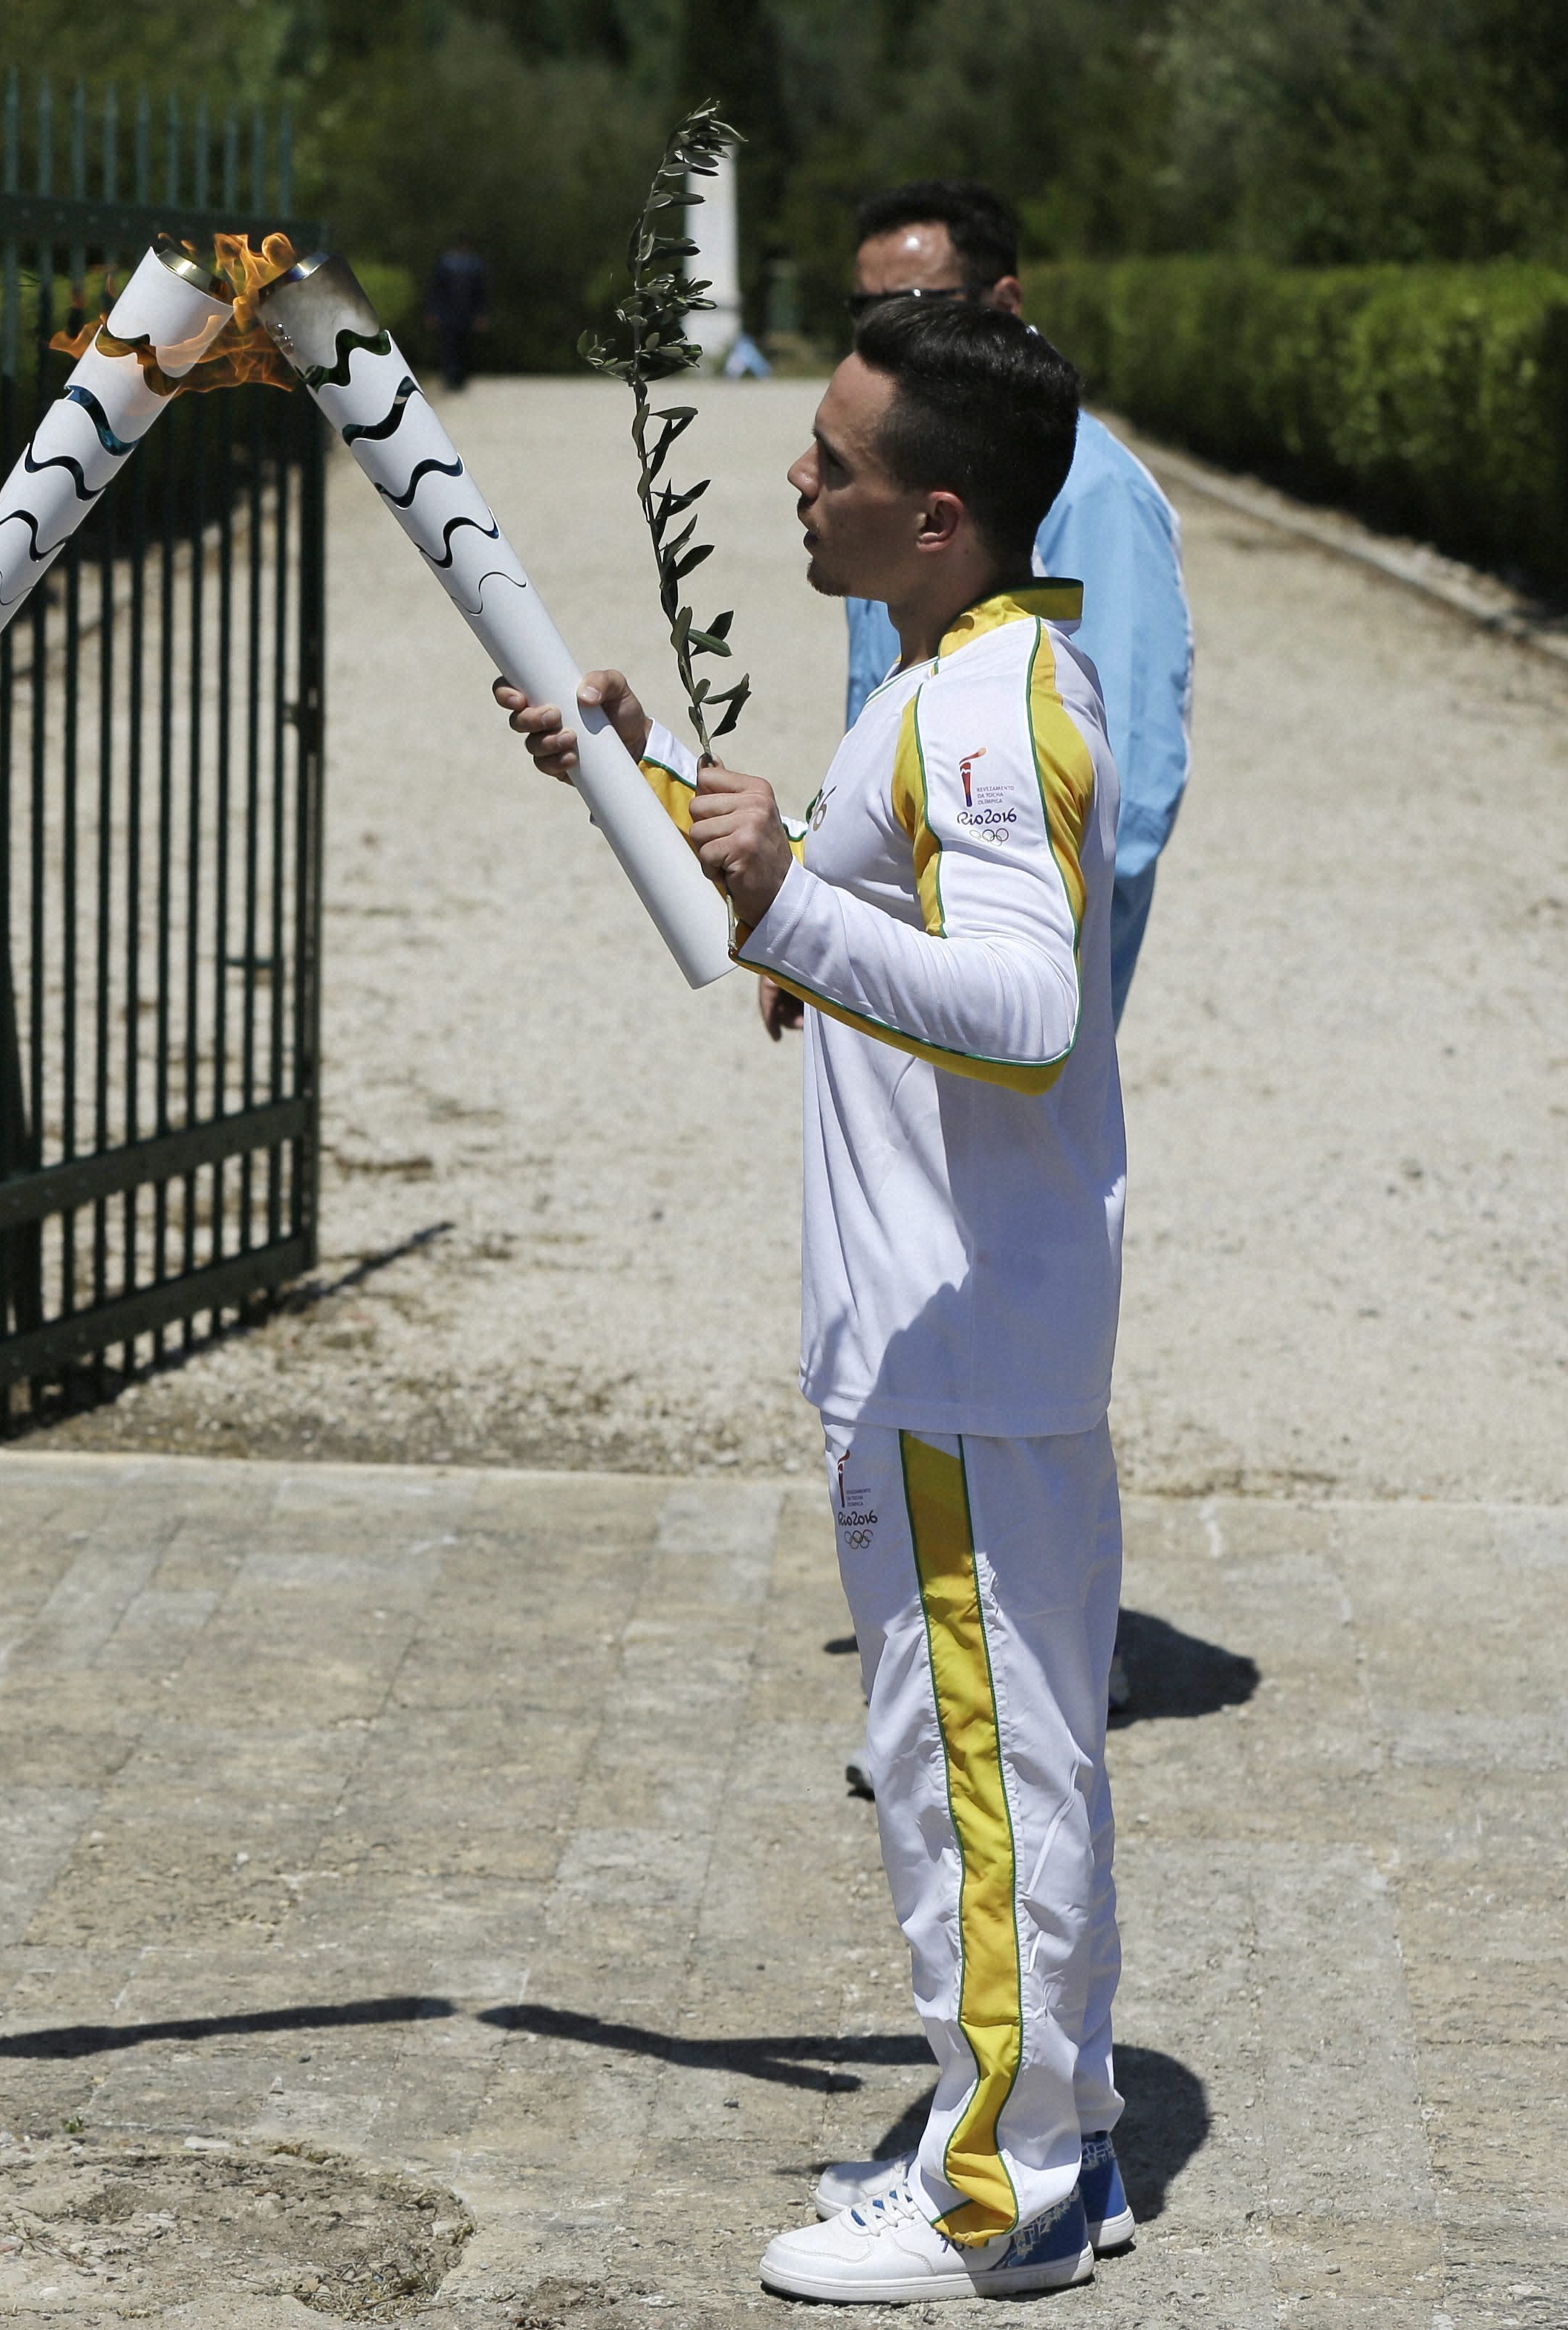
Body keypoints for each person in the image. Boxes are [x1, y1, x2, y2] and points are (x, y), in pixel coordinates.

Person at [500, 299, 1134, 2302]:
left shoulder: (973, 712)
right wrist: (645, 773)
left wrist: (780, 895)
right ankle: (1049, 2137)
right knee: (1003, 1761)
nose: (793, 476)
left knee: (976, 1777)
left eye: (833, 462)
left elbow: (1021, 1010)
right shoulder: (963, 676)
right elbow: (845, 922)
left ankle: (1004, 2194)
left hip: (956, 1347)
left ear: (935, 516)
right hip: (965, 1341)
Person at [839, 179, 1192, 1020]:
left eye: (914, 308)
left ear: (1004, 303)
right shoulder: (898, 483)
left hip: (999, 986)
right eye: (867, 313)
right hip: (890, 958)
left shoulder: (1093, 490)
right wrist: (831, 912)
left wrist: (974, 967)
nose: (888, 338)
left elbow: (1128, 788)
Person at [423, 235, 490, 392]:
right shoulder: (447, 264)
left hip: (466, 314)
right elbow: (436, 290)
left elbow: (481, 293)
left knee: (463, 347)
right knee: (449, 347)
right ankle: (450, 377)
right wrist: (433, 312)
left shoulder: (474, 265)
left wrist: (481, 315)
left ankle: (460, 378)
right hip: (449, 313)